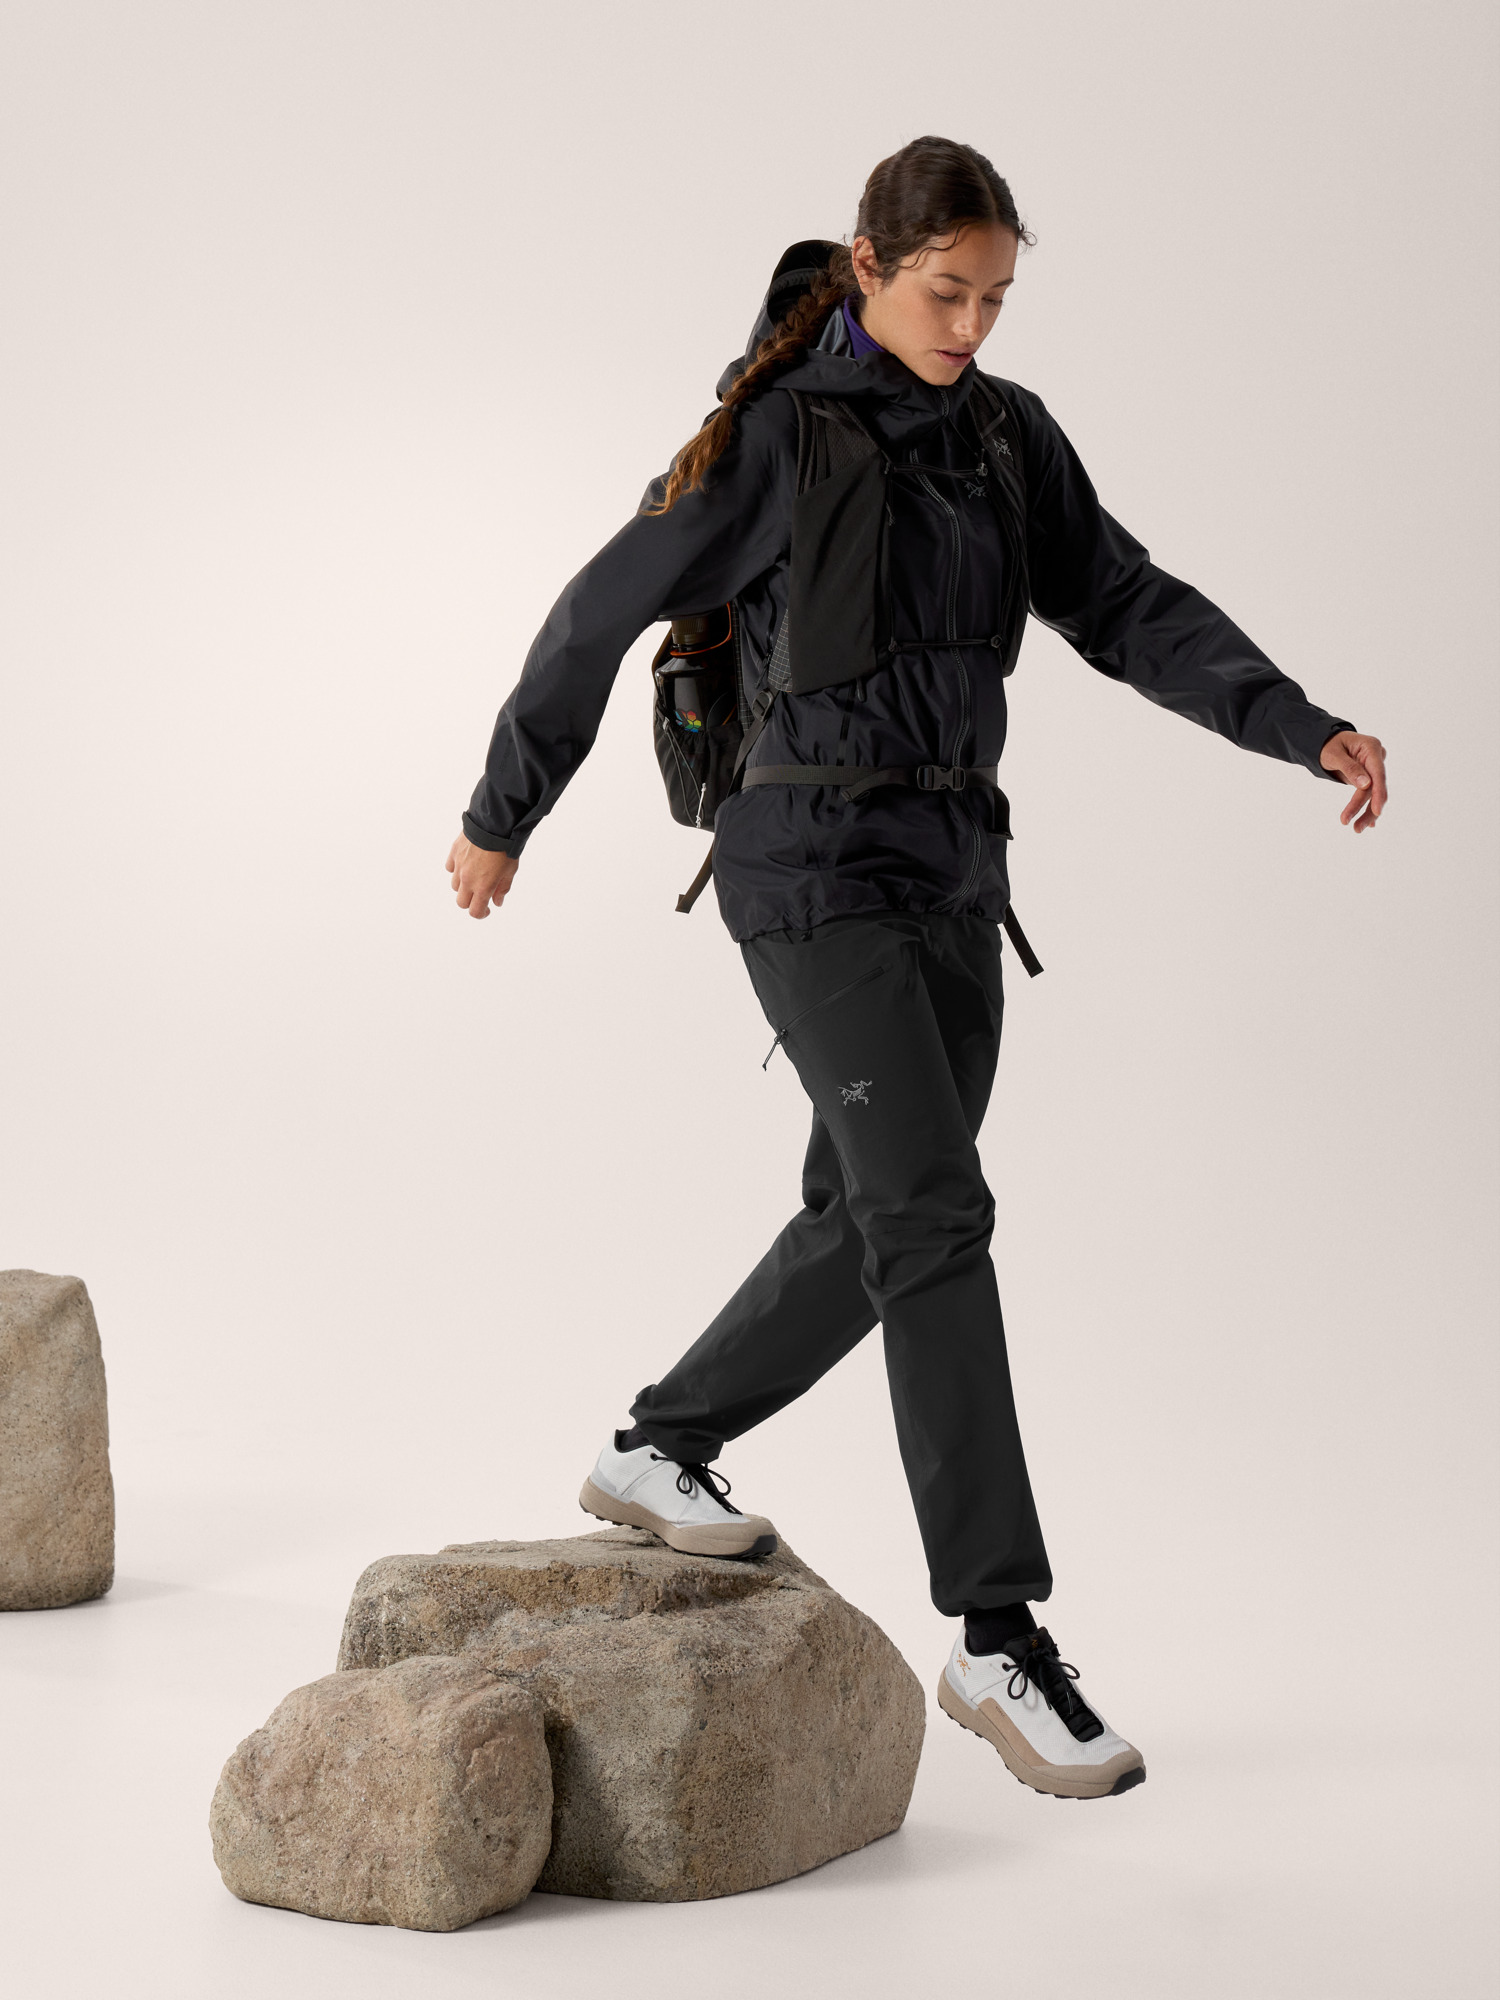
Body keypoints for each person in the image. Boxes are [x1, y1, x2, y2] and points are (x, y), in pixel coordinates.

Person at [446, 136, 1387, 1801]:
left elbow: (1126, 603)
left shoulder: (1008, 438)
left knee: (874, 1215)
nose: (971, 326)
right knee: (936, 1214)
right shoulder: (779, 439)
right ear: (869, 268)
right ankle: (996, 1632)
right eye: (946, 292)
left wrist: (1296, 724)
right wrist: (500, 816)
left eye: (996, 298)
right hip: (807, 873)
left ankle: (659, 1443)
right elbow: (597, 612)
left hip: (956, 873)